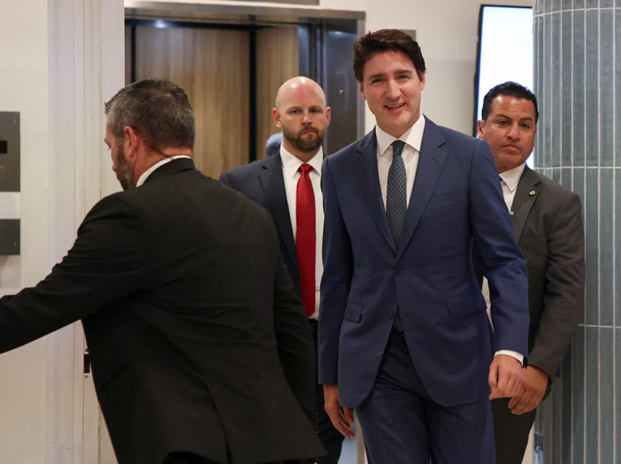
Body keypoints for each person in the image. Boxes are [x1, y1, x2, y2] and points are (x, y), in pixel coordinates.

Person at [0, 78, 325, 464]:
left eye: (110, 147)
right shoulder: (251, 215)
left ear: (131, 139)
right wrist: (303, 434)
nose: (112, 158)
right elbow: (293, 335)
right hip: (276, 441)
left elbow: (43, 305)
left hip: (187, 444)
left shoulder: (129, 214)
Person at [318, 29, 530, 464]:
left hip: (459, 357)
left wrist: (510, 348)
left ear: (422, 80)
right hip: (378, 364)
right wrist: (331, 375)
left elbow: (505, 261)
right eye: (378, 80)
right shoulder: (340, 169)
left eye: (403, 76)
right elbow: (337, 277)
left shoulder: (469, 156)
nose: (392, 91)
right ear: (362, 89)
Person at [220, 76, 345, 464]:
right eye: (295, 111)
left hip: (338, 341)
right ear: (277, 117)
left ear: (326, 116)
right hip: (270, 344)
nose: (305, 120)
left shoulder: (355, 179)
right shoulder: (239, 184)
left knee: (328, 447)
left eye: (313, 111)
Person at [476, 81, 585, 464]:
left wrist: (538, 369)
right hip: (446, 361)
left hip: (515, 376)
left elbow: (566, 294)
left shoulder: (558, 203)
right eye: (503, 121)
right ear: (480, 127)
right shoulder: (449, 189)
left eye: (526, 125)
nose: (514, 133)